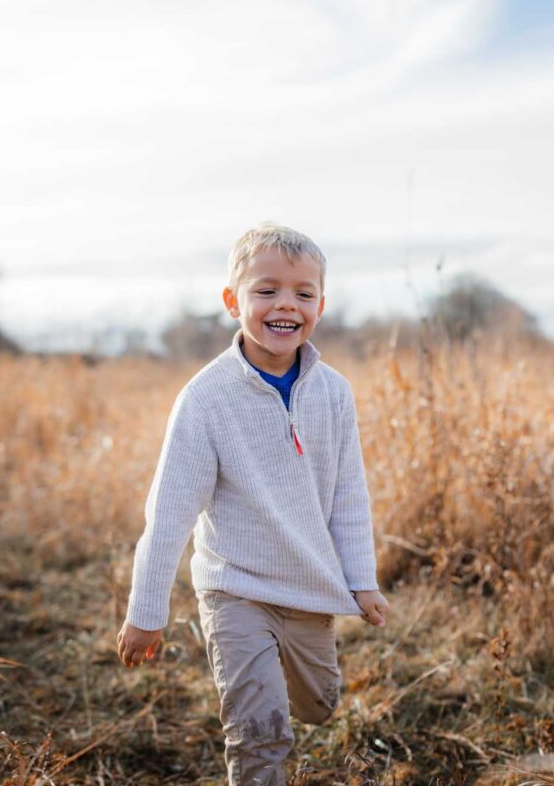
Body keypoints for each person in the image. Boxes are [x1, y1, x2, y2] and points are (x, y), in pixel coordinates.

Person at [117, 223, 390, 785]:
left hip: (309, 587)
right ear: (232, 301)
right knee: (261, 732)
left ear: (320, 303)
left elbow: (348, 496)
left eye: (302, 293)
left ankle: (280, 683)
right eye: (266, 290)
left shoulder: (334, 392)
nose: (285, 304)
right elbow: (169, 515)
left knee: (319, 705)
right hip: (234, 589)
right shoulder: (205, 399)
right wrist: (146, 613)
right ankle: (258, 711)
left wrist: (361, 581)